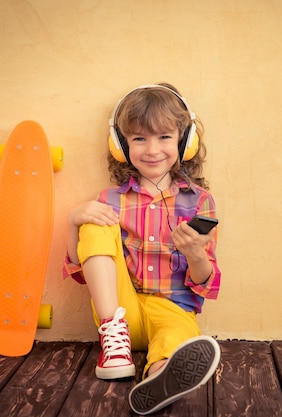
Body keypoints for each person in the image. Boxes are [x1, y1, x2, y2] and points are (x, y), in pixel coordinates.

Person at [63, 83, 221, 415]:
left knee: (176, 338)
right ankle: (114, 344)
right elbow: (81, 271)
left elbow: (204, 283)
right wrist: (73, 222)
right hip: (120, 309)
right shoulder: (110, 200)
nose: (152, 150)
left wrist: (194, 253)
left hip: (173, 308)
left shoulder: (200, 202)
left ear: (184, 141)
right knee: (94, 217)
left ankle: (161, 376)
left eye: (164, 137)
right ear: (121, 146)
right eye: (139, 138)